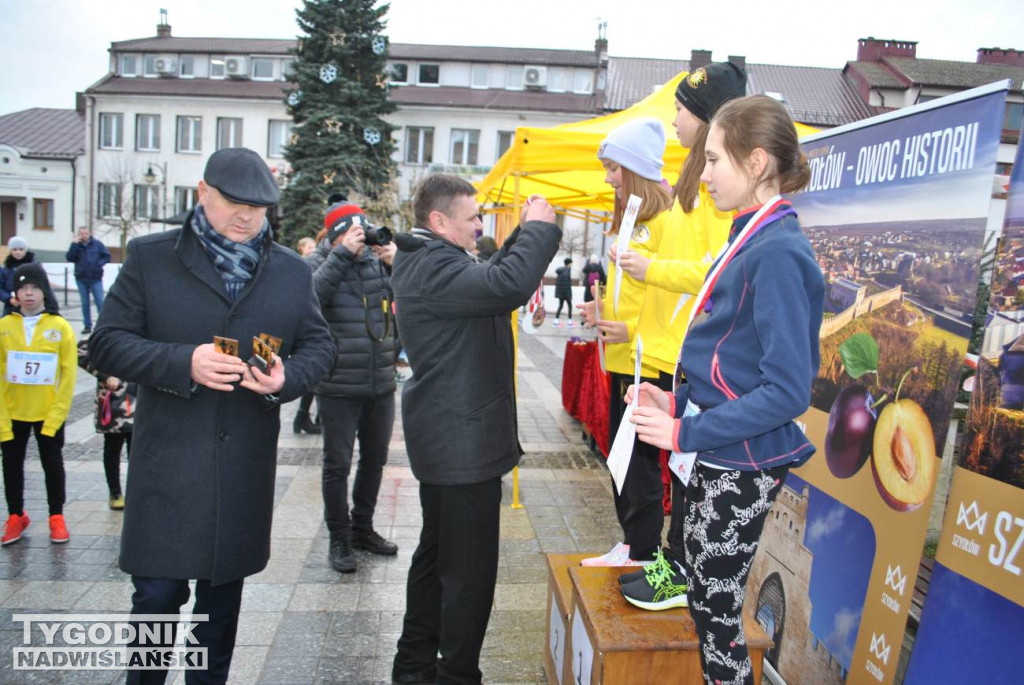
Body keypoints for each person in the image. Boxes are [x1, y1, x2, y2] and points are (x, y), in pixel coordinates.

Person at [88, 147, 334, 684]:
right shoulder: (151, 258)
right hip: (168, 467)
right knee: (156, 598)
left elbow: (320, 347)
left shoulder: (291, 272)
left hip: (240, 471)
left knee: (219, 612)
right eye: (232, 203)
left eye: (259, 207)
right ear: (203, 193)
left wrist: (286, 378)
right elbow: (105, 345)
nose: (246, 217)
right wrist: (183, 361)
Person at [629, 95, 824, 685]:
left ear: (757, 162)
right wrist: (680, 402)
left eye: (714, 160)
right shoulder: (754, 237)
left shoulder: (780, 250)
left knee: (717, 620)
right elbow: (732, 364)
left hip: (738, 459)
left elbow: (787, 391)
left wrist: (686, 429)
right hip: (719, 451)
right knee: (705, 608)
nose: (704, 172)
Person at [390, 175, 561, 684]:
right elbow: (504, 285)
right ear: (439, 222)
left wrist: (518, 238)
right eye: (472, 219)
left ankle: (415, 666)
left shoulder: (433, 259)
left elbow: (490, 277)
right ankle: (456, 674)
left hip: (453, 442)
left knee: (436, 560)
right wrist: (536, 231)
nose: (480, 226)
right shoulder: (431, 267)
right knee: (468, 577)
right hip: (460, 447)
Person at [616, 62, 748, 611]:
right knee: (681, 469)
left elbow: (718, 266)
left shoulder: (720, 182)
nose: (672, 119)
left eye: (680, 109)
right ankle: (676, 567)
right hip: (681, 351)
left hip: (704, 353)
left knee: (691, 472)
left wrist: (653, 271)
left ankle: (685, 575)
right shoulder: (693, 176)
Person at [576, 117, 672, 567]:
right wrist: (602, 313)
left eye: (615, 168)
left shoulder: (666, 222)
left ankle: (644, 551)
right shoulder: (633, 220)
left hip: (647, 362)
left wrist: (631, 331)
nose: (609, 178)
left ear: (634, 168)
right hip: (621, 360)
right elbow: (632, 295)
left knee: (639, 464)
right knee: (623, 459)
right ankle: (634, 544)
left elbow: (674, 302)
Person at [309, 201, 399, 573]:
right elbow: (309, 298)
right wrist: (342, 255)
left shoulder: (376, 262)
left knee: (375, 461)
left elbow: (409, 301)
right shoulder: (318, 263)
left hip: (380, 382)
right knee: (337, 465)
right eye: (353, 233)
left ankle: (363, 528)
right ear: (335, 236)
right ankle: (339, 537)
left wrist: (398, 265)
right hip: (338, 384)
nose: (362, 239)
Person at [0, 263, 76, 546]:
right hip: (12, 411)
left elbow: (68, 374)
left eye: (34, 288)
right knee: (11, 464)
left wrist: (57, 414)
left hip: (47, 412)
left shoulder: (59, 327)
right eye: (23, 288)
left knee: (52, 464)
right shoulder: (4, 326)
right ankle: (15, 514)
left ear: (44, 291)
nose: (29, 294)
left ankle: (56, 516)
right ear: (16, 293)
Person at [77, 337, 134, 510]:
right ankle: (115, 492)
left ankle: (135, 491)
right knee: (112, 447)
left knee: (137, 449)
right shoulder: (106, 331)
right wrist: (104, 375)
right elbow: (81, 352)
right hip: (112, 401)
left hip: (136, 399)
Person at [66, 226, 110, 335]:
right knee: (85, 303)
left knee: (100, 302)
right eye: (82, 233)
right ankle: (87, 325)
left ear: (89, 233)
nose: (84, 235)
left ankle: (103, 325)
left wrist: (99, 264)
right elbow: (70, 258)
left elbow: (107, 256)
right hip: (81, 278)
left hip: (95, 277)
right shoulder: (76, 246)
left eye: (86, 233)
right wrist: (74, 245)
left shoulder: (97, 244)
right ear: (79, 234)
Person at [1, 236, 36, 316]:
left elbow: (42, 285)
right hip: (11, 307)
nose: (18, 252)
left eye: (21, 249)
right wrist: (9, 299)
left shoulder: (34, 266)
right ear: (10, 251)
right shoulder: (6, 268)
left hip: (31, 307)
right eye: (15, 249)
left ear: (25, 250)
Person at [552, 257, 574, 326]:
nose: (572, 265)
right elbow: (566, 284)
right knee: (570, 306)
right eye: (571, 263)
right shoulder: (567, 271)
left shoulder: (561, 271)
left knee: (560, 306)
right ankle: (570, 322)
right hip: (566, 293)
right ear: (569, 263)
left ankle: (556, 321)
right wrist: (568, 294)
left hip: (561, 293)